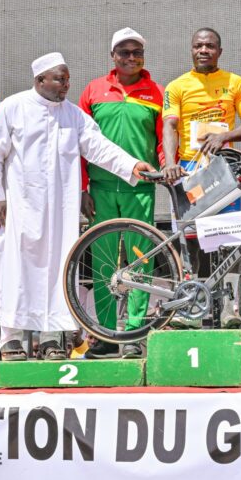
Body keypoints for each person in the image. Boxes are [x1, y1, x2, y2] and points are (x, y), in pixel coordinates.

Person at [0, 52, 156, 362]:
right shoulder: (12, 107)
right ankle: (10, 339)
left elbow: (99, 147)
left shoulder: (74, 115)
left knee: (58, 269)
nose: (66, 85)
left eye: (68, 79)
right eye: (60, 79)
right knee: (14, 269)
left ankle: (51, 338)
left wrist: (132, 165)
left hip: (60, 211)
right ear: (40, 80)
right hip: (18, 208)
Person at [78, 28, 164, 359]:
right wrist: (83, 187)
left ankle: (133, 333)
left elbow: (162, 140)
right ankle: (106, 334)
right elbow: (79, 145)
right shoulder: (93, 90)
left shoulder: (155, 92)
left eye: (137, 52)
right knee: (102, 262)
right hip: (100, 189)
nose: (131, 58)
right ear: (112, 56)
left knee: (141, 259)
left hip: (140, 189)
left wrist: (165, 167)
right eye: (124, 52)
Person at [161, 28, 241, 329]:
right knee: (190, 242)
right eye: (198, 46)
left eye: (210, 46)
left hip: (222, 169)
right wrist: (170, 163)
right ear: (191, 49)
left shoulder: (235, 83)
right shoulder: (177, 86)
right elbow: (170, 126)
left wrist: (225, 135)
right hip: (190, 170)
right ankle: (192, 308)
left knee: (227, 239)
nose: (203, 50)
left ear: (219, 51)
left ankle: (228, 307)